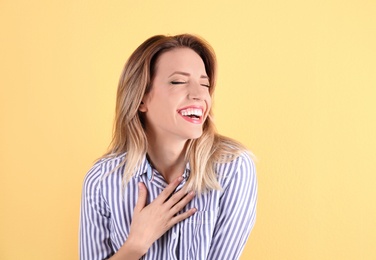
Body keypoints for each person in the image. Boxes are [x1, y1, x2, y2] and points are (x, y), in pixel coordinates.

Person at [79, 34, 257, 260]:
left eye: (205, 84)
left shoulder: (233, 168)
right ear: (141, 98)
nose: (200, 94)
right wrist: (135, 244)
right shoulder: (102, 180)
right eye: (179, 81)